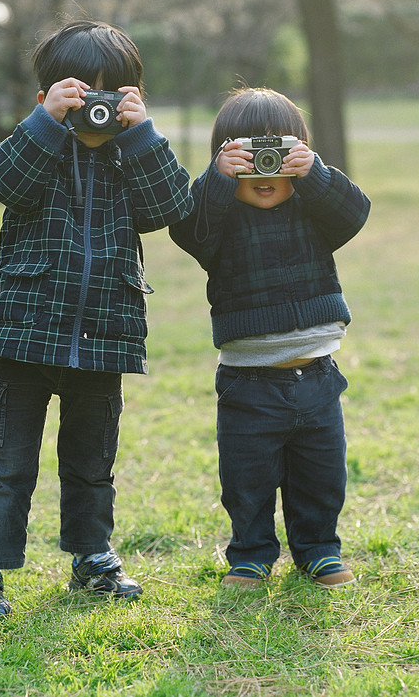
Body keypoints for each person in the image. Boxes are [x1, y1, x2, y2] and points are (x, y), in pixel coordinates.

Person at [0, 20, 192, 620]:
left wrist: (142, 136)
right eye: (79, 93)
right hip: (24, 330)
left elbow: (170, 207)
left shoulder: (130, 157)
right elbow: (0, 181)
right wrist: (44, 126)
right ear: (47, 99)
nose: (95, 107)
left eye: (110, 95)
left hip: (105, 332)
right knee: (6, 462)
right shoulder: (39, 149)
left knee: (93, 461)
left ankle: (92, 557)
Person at [169, 88, 370, 589]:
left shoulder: (313, 205)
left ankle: (319, 548)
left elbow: (355, 213)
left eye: (277, 153)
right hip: (247, 382)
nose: (265, 169)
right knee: (246, 478)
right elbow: (187, 230)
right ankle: (251, 553)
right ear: (224, 158)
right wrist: (216, 181)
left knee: (322, 476)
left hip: (318, 375)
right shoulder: (218, 217)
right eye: (247, 155)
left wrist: (314, 172)